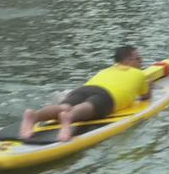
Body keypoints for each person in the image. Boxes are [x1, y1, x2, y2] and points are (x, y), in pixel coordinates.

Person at [19, 46, 151, 142]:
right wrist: (149, 84)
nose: (141, 61)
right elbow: (145, 96)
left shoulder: (106, 70)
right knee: (89, 106)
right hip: (108, 95)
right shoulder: (139, 74)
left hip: (84, 89)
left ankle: (34, 116)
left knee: (63, 107)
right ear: (128, 60)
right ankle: (69, 118)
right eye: (138, 59)